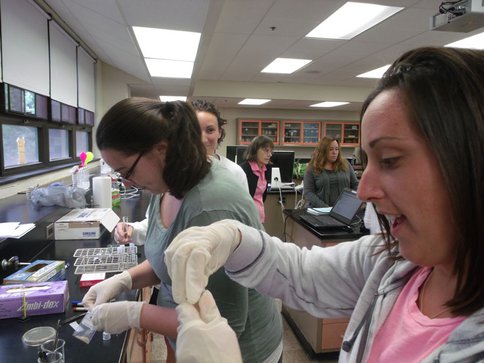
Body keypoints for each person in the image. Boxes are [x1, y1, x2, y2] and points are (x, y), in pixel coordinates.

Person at [165, 47, 484, 362]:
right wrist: (233, 239)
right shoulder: (390, 261)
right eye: (366, 161)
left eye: (390, 160)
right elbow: (300, 272)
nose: (364, 191)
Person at [83, 98, 283, 363]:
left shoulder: (209, 207)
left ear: (162, 149)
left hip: (239, 352)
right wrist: (124, 279)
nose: (126, 182)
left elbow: (221, 324)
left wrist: (135, 313)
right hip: (187, 340)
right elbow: (172, 259)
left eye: (126, 171)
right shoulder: (167, 182)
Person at [113, 99, 248, 245]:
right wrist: (132, 230)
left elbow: (243, 228)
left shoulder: (234, 173)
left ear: (219, 133)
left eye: (210, 130)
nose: (202, 139)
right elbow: (156, 226)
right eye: (194, 130)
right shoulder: (170, 173)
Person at [303, 137, 359, 207]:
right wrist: (324, 207)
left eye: (336, 149)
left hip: (343, 211)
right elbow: (308, 193)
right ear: (323, 151)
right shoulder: (312, 168)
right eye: (330, 149)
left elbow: (355, 185)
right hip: (320, 211)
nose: (334, 152)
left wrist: (352, 202)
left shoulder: (345, 164)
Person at [239, 135, 274, 223]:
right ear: (255, 151)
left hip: (259, 217)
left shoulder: (265, 169)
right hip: (246, 218)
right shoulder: (244, 170)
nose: (270, 154)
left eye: (271, 151)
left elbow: (261, 197)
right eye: (266, 151)